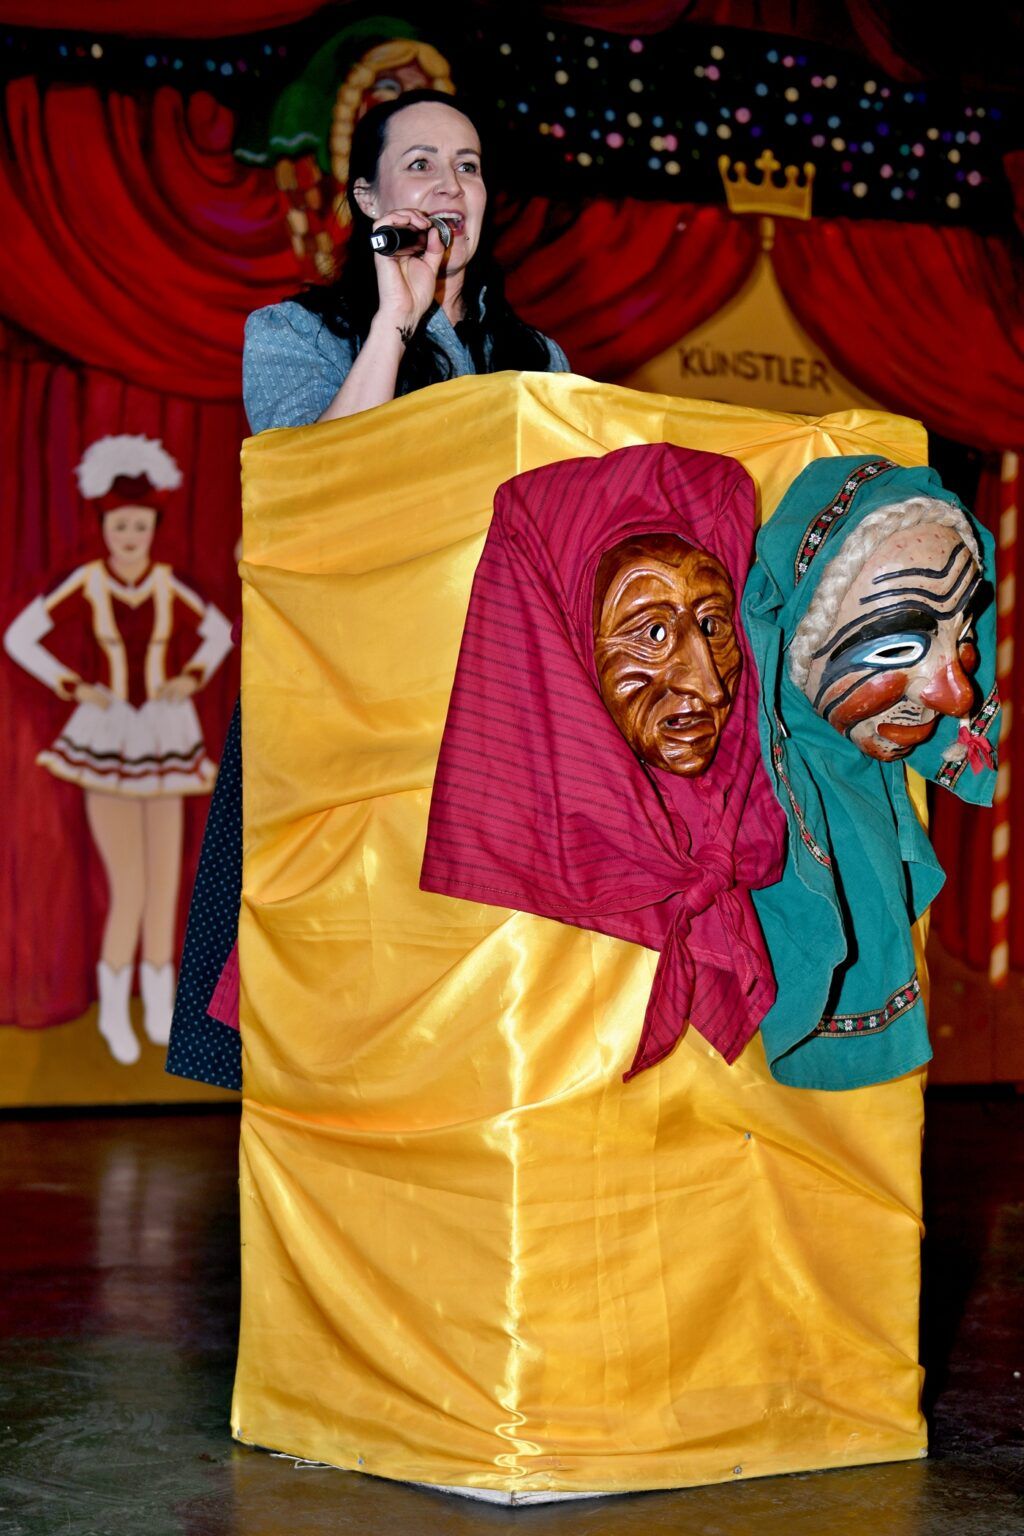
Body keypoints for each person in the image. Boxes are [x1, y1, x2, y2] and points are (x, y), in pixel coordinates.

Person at [167, 90, 570, 1091]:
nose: (450, 186)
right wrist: (394, 323)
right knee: (331, 993)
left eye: (468, 166)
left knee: (475, 1003)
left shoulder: (540, 364)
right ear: (365, 197)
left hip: (489, 705)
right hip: (342, 699)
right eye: (421, 163)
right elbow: (315, 494)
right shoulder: (296, 333)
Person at [4, 434, 233, 1064]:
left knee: (164, 882)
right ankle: (113, 1008)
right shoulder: (86, 583)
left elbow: (220, 633)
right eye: (119, 525)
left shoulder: (169, 583)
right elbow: (21, 636)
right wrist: (73, 684)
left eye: (139, 525)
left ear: (154, 527)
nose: (129, 535)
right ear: (104, 527)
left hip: (165, 733)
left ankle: (158, 1003)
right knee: (127, 883)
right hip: (106, 737)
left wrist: (190, 676)